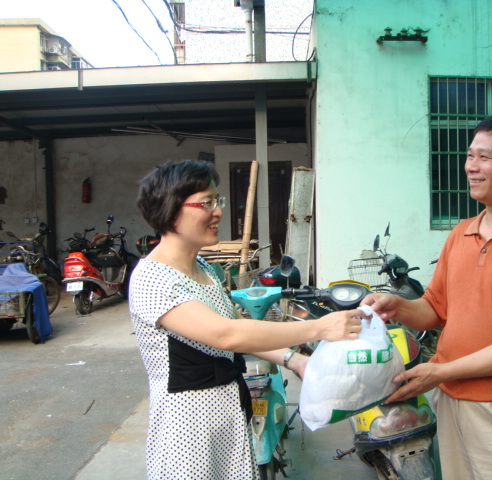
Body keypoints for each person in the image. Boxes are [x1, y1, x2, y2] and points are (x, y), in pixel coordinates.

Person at [362, 115, 492, 479]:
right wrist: (398, 306)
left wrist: (441, 371)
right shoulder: (462, 233)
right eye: (469, 156)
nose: (471, 167)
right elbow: (435, 308)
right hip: (452, 403)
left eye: (485, 158)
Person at [129, 159, 362, 480]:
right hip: (187, 428)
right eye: (206, 202)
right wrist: (320, 327)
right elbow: (226, 335)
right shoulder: (153, 279)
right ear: (171, 209)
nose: (218, 211)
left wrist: (293, 361)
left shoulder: (206, 269)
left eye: (218, 200)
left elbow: (239, 333)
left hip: (228, 414)